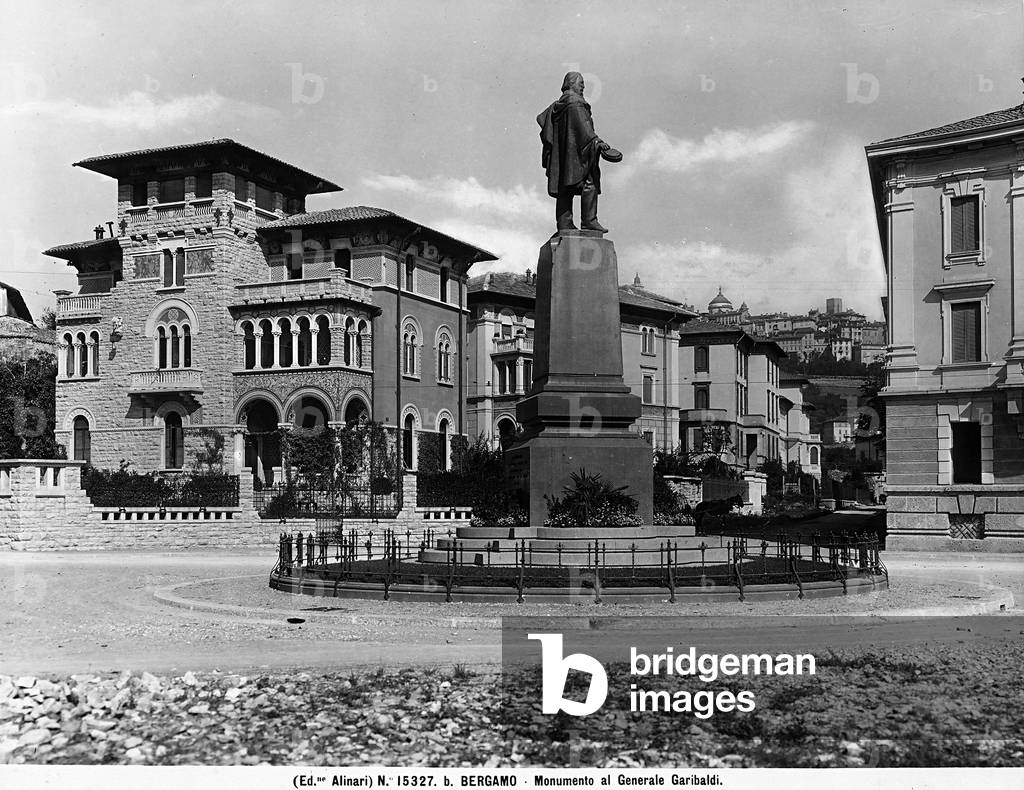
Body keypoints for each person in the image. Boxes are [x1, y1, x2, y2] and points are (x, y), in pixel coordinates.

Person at [537, 71, 619, 233]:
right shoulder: (576, 103)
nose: (583, 86)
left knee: (564, 188)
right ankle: (589, 220)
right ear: (571, 83)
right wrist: (598, 142)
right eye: (580, 83)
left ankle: (564, 224)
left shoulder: (558, 105)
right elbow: (584, 129)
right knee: (590, 183)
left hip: (563, 157)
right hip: (577, 154)